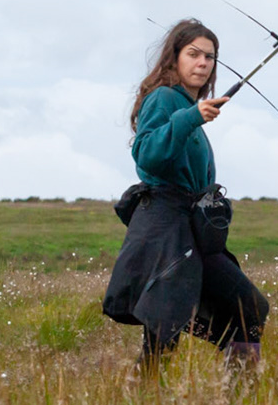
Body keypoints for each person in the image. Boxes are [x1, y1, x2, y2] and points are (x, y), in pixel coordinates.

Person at [103, 19, 269, 373]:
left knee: (178, 321)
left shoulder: (187, 107)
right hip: (165, 225)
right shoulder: (164, 99)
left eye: (210, 56)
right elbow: (147, 154)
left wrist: (193, 116)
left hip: (190, 228)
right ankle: (150, 400)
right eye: (193, 54)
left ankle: (237, 400)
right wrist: (190, 117)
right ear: (174, 58)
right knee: (169, 324)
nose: (203, 62)